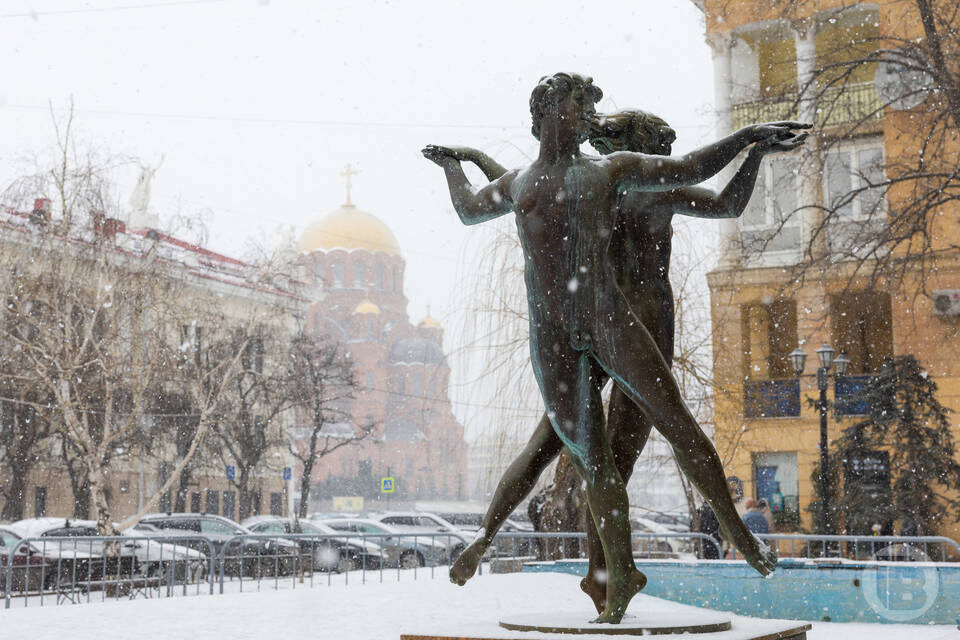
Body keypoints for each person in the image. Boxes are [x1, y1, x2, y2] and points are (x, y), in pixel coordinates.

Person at [424, 72, 808, 622]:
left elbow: (696, 171)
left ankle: (737, 533)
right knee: (586, 459)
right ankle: (608, 571)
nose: (584, 117)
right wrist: (453, 166)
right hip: (554, 335)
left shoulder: (612, 173)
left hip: (615, 318)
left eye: (586, 107)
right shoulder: (524, 181)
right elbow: (475, 206)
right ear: (548, 112)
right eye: (575, 105)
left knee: (671, 424)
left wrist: (748, 138)